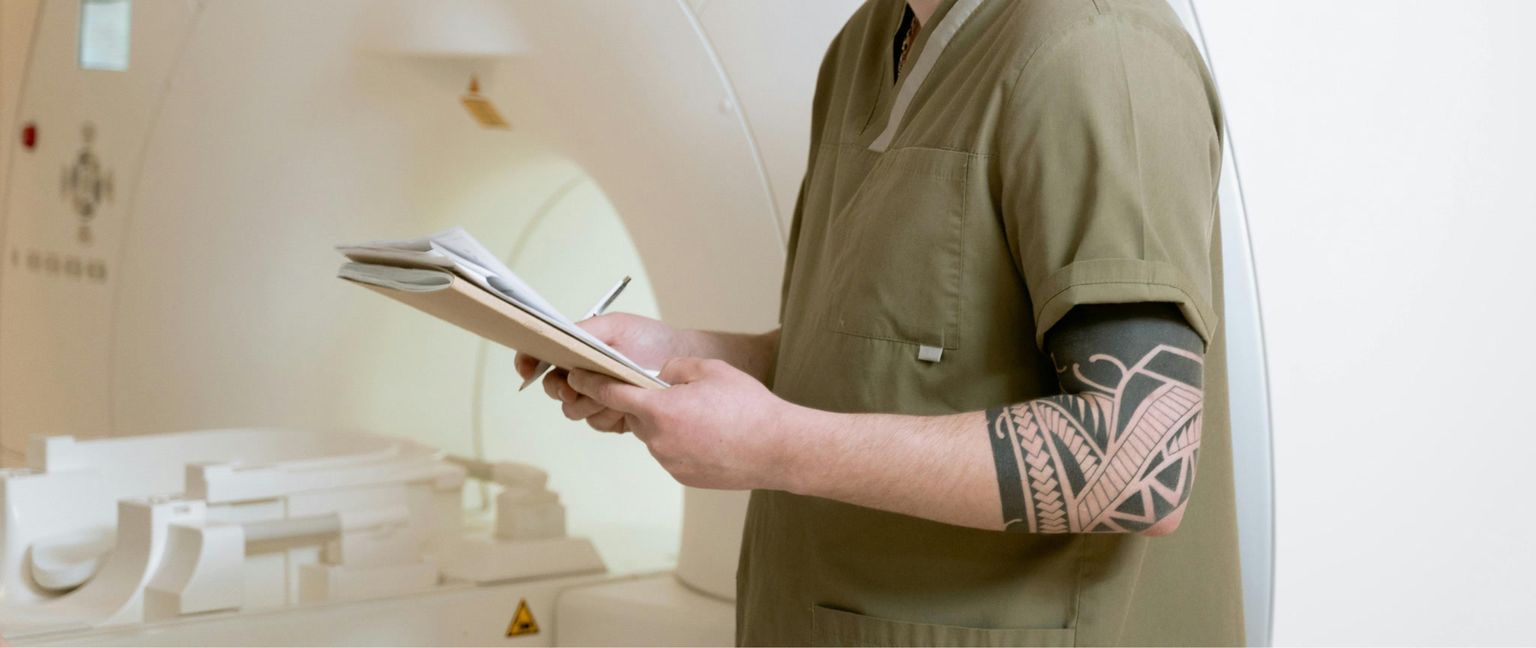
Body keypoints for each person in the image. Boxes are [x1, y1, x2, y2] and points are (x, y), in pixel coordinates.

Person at [514, 0, 1244, 644]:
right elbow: (879, 359)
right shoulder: (867, 45)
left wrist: (774, 447)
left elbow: (1144, 459)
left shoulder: (1099, 50)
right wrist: (670, 358)